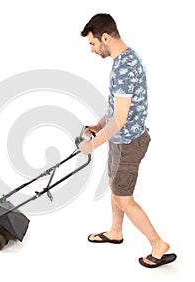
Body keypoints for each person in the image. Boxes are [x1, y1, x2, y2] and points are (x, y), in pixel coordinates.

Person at [79, 13, 176, 268]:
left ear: (106, 37)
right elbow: (117, 107)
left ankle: (158, 244)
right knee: (114, 186)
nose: (91, 49)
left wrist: (93, 144)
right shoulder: (122, 60)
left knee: (124, 197)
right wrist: (98, 125)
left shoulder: (125, 67)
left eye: (92, 43)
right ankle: (115, 232)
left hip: (128, 144)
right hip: (118, 140)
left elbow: (120, 119)